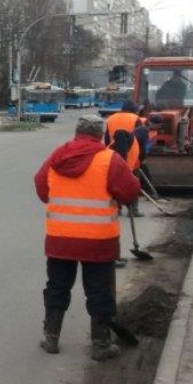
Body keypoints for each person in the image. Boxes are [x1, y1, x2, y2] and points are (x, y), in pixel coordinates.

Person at [34, 114, 141, 360]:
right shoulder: (109, 160)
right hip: (98, 241)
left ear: (77, 132)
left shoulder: (57, 156)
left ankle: (51, 337)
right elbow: (130, 191)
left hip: (60, 238)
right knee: (100, 291)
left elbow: (41, 185)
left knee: (57, 287)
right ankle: (100, 344)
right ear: (100, 135)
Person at [105, 101, 145, 217]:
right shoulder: (136, 119)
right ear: (134, 110)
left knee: (115, 182)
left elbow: (107, 139)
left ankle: (117, 208)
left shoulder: (111, 118)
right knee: (133, 183)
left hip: (113, 153)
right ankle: (133, 210)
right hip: (132, 154)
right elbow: (140, 139)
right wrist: (142, 157)